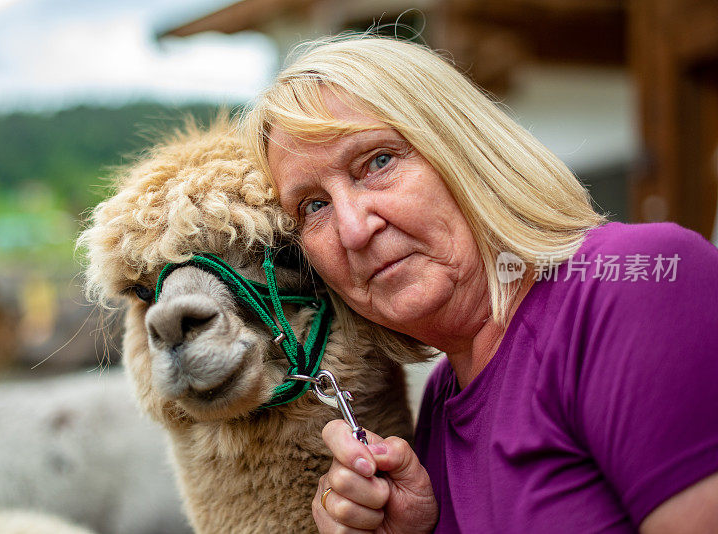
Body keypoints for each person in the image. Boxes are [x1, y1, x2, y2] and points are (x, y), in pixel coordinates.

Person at [242, 35, 718, 533]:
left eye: (378, 161)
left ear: (464, 148)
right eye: (313, 206)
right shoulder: (445, 400)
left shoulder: (636, 284)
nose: (355, 230)